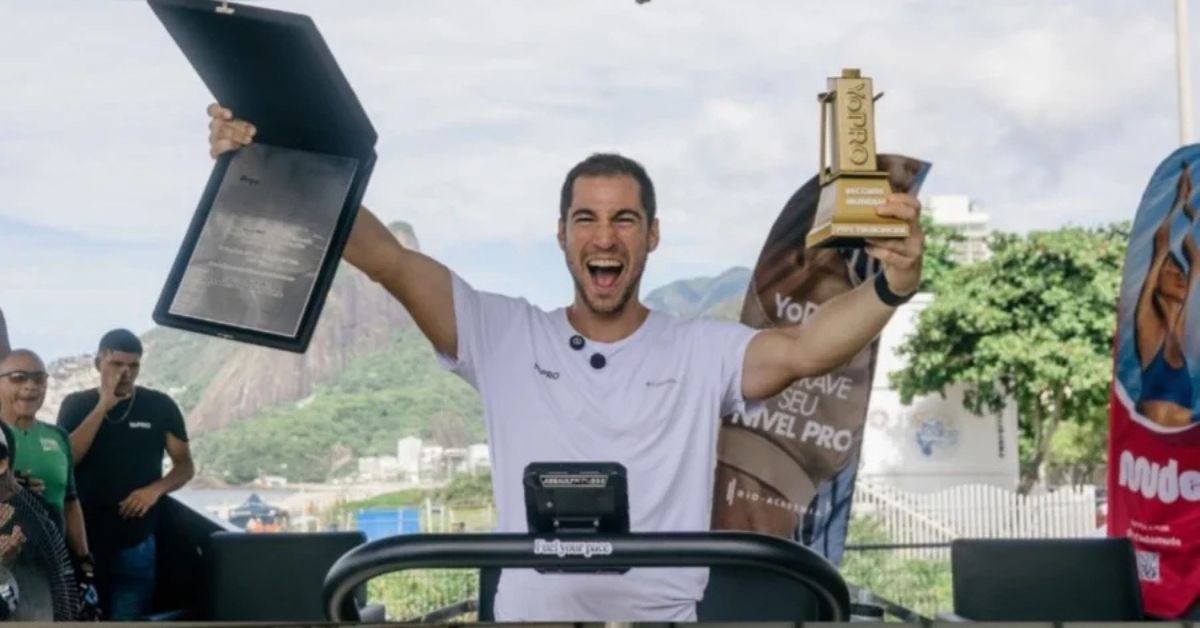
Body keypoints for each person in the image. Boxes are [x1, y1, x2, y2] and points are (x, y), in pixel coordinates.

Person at [206, 103, 925, 621]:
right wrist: (272, 160)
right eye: (587, 218)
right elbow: (389, 260)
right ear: (561, 236)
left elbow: (805, 348)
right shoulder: (503, 334)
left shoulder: (700, 349)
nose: (604, 235)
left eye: (623, 219)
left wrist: (891, 285)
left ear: (651, 238)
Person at [55, 329, 195, 620]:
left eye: (133, 366)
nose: (125, 373)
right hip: (84, 541)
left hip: (136, 540)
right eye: (117, 364)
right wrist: (103, 405)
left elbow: (184, 466)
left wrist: (154, 490)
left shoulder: (159, 406)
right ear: (99, 364)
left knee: (129, 620)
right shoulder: (76, 404)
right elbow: (67, 460)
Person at [0, 351, 95, 620]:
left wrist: (84, 560)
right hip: (6, 560)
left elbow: (70, 501)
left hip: (52, 560)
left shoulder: (57, 437)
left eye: (39, 378)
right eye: (18, 378)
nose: (30, 386)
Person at [1134, 163, 1200, 428]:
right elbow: (1161, 243)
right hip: (1151, 454)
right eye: (1171, 272)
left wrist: (1192, 215)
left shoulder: (1183, 332)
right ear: (1156, 283)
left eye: (1180, 271)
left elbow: (1197, 262)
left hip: (1183, 455)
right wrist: (1179, 201)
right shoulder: (1148, 326)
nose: (1179, 275)